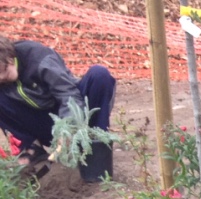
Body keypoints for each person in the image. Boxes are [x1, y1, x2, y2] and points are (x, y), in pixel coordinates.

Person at [0, 35, 116, 170]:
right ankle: (31, 148)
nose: (1, 78)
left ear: (10, 58)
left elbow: (68, 94)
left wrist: (66, 127)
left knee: (99, 74)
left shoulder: (40, 59)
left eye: (4, 73)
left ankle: (96, 143)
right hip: (45, 124)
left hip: (77, 112)